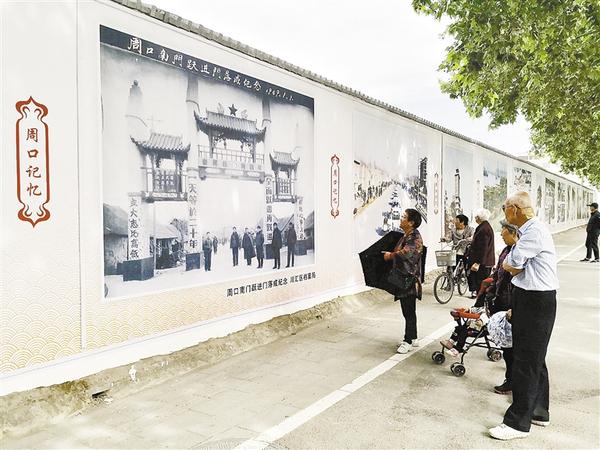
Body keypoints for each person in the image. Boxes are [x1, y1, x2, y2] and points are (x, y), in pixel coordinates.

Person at [488, 191, 558, 441]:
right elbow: (514, 266)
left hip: (535, 301)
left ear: (515, 209)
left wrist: (512, 264)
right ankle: (539, 411)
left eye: (505, 207)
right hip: (529, 298)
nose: (504, 212)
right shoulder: (528, 230)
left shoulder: (532, 232)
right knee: (534, 359)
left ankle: (517, 423)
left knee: (525, 361)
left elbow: (512, 263)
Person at [441, 219, 518, 386]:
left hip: (507, 300)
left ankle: (512, 378)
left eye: (504, 231)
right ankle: (510, 375)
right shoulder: (506, 249)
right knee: (465, 325)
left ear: (513, 233)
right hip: (496, 296)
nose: (501, 235)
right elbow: (498, 272)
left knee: (508, 341)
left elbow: (511, 276)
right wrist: (491, 287)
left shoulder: (517, 251)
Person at [383, 208, 424, 354]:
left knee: (408, 310)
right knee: (409, 310)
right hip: (404, 277)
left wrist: (390, 256)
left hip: (409, 279)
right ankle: (413, 338)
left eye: (404, 217)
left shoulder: (414, 237)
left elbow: (406, 253)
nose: (401, 219)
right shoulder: (407, 235)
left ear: (411, 222)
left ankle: (407, 341)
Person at [468, 208, 495, 298]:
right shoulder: (484, 227)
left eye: (476, 216)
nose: (475, 218)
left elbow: (483, 248)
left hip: (483, 263)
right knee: (480, 285)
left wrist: (478, 263)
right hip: (484, 262)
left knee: (480, 284)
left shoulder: (484, 229)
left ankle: (481, 302)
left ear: (479, 218)